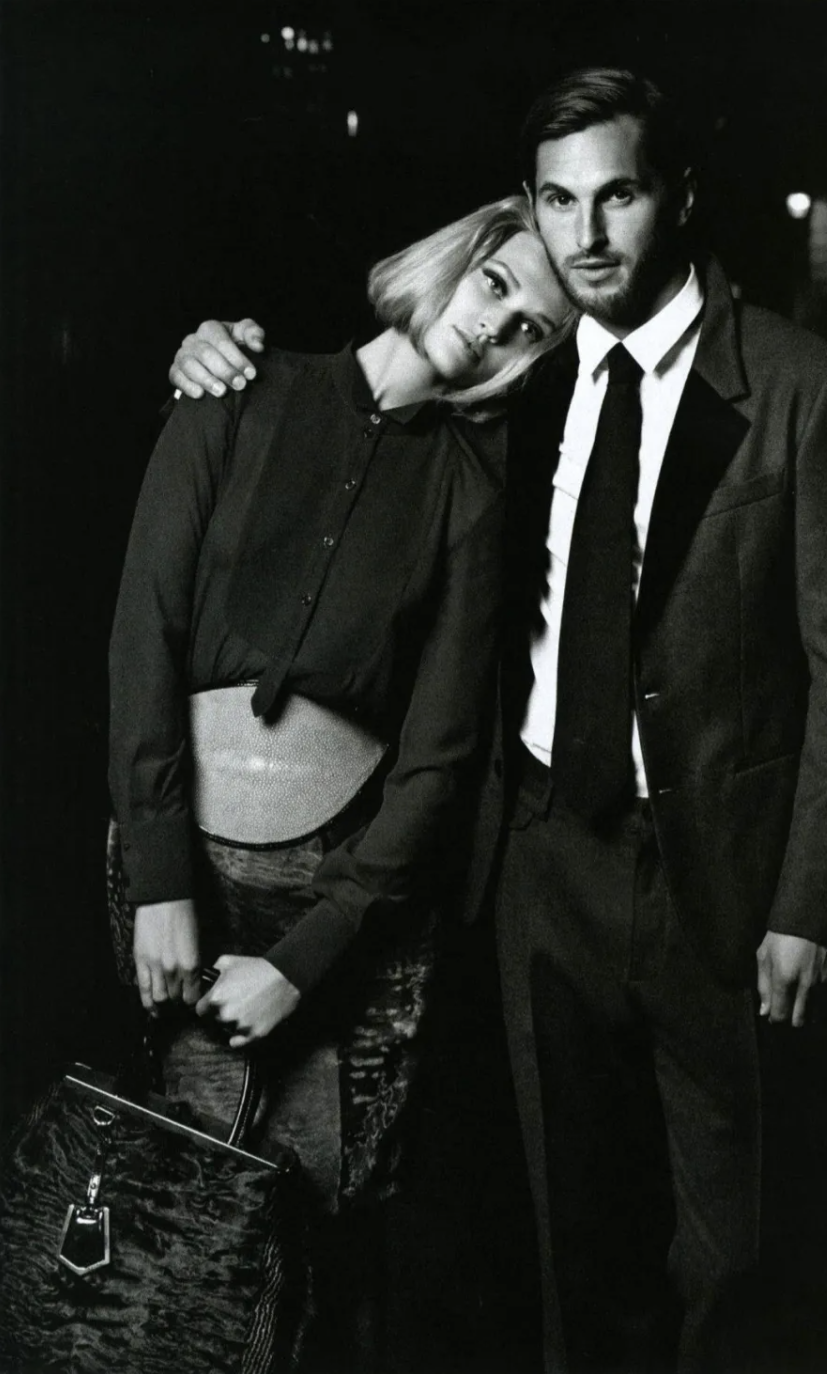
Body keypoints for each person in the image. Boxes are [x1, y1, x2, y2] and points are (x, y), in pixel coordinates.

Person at [169, 67, 827, 1374]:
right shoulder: (524, 377)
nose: (586, 233)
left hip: (715, 872)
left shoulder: (794, 382)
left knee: (730, 1248)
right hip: (539, 863)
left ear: (676, 197)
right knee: (571, 1236)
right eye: (559, 201)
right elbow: (374, 410)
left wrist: (806, 901)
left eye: (617, 195)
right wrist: (217, 351)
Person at [109, 193, 572, 1369]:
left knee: (316, 1226)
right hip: (183, 872)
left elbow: (439, 759)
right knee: (173, 1207)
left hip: (339, 895)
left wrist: (308, 956)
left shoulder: (471, 494)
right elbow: (143, 639)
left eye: (531, 329)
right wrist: (160, 877)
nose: (496, 325)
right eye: (496, 284)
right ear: (454, 260)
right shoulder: (235, 391)